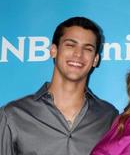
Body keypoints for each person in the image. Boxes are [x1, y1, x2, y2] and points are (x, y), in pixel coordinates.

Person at [0, 17, 118, 155]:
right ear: (53, 50)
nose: (78, 54)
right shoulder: (13, 116)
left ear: (95, 59)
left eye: (87, 49)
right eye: (70, 45)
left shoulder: (109, 117)